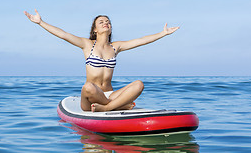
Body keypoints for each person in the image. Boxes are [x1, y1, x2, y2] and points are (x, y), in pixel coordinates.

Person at [24, 9, 179, 112]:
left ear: (110, 28)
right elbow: (63, 34)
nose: (106, 23)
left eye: (108, 21)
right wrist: (40, 22)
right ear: (95, 30)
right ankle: (119, 106)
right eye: (101, 22)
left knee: (139, 84)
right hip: (91, 97)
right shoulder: (87, 45)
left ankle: (106, 108)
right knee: (88, 87)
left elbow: (141, 40)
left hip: (109, 95)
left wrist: (162, 33)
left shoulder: (115, 47)